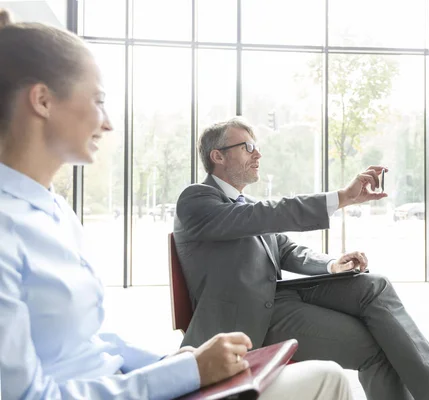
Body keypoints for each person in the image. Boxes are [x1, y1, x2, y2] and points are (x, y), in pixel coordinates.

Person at [0, 12, 353, 400]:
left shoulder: (54, 210)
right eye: (98, 101)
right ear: (43, 100)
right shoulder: (8, 229)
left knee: (330, 372)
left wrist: (175, 362)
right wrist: (182, 374)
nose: (108, 123)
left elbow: (88, 339)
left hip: (128, 380)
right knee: (326, 380)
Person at [174, 117, 429, 400]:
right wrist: (341, 197)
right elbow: (265, 215)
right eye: (248, 147)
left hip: (278, 303)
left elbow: (287, 249)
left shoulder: (248, 205)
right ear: (218, 156)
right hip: (249, 323)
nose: (258, 154)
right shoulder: (197, 199)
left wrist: (331, 264)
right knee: (380, 347)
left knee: (374, 284)